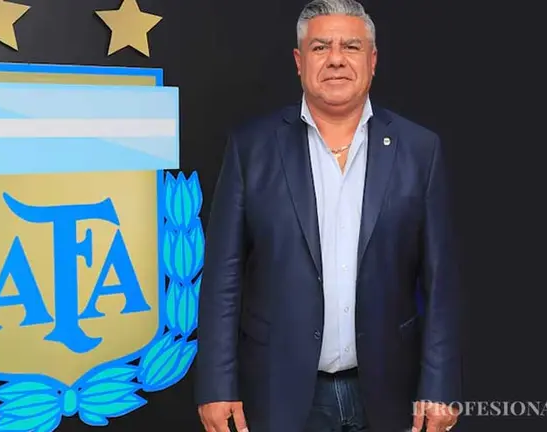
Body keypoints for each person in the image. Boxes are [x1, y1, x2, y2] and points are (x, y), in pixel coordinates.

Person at [194, 0, 462, 431]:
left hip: (390, 391)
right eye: (320, 47)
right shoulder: (252, 148)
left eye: (351, 47)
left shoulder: (419, 150)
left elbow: (440, 283)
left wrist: (441, 385)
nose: (336, 59)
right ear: (299, 61)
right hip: (279, 391)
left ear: (372, 60)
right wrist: (215, 385)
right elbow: (223, 279)